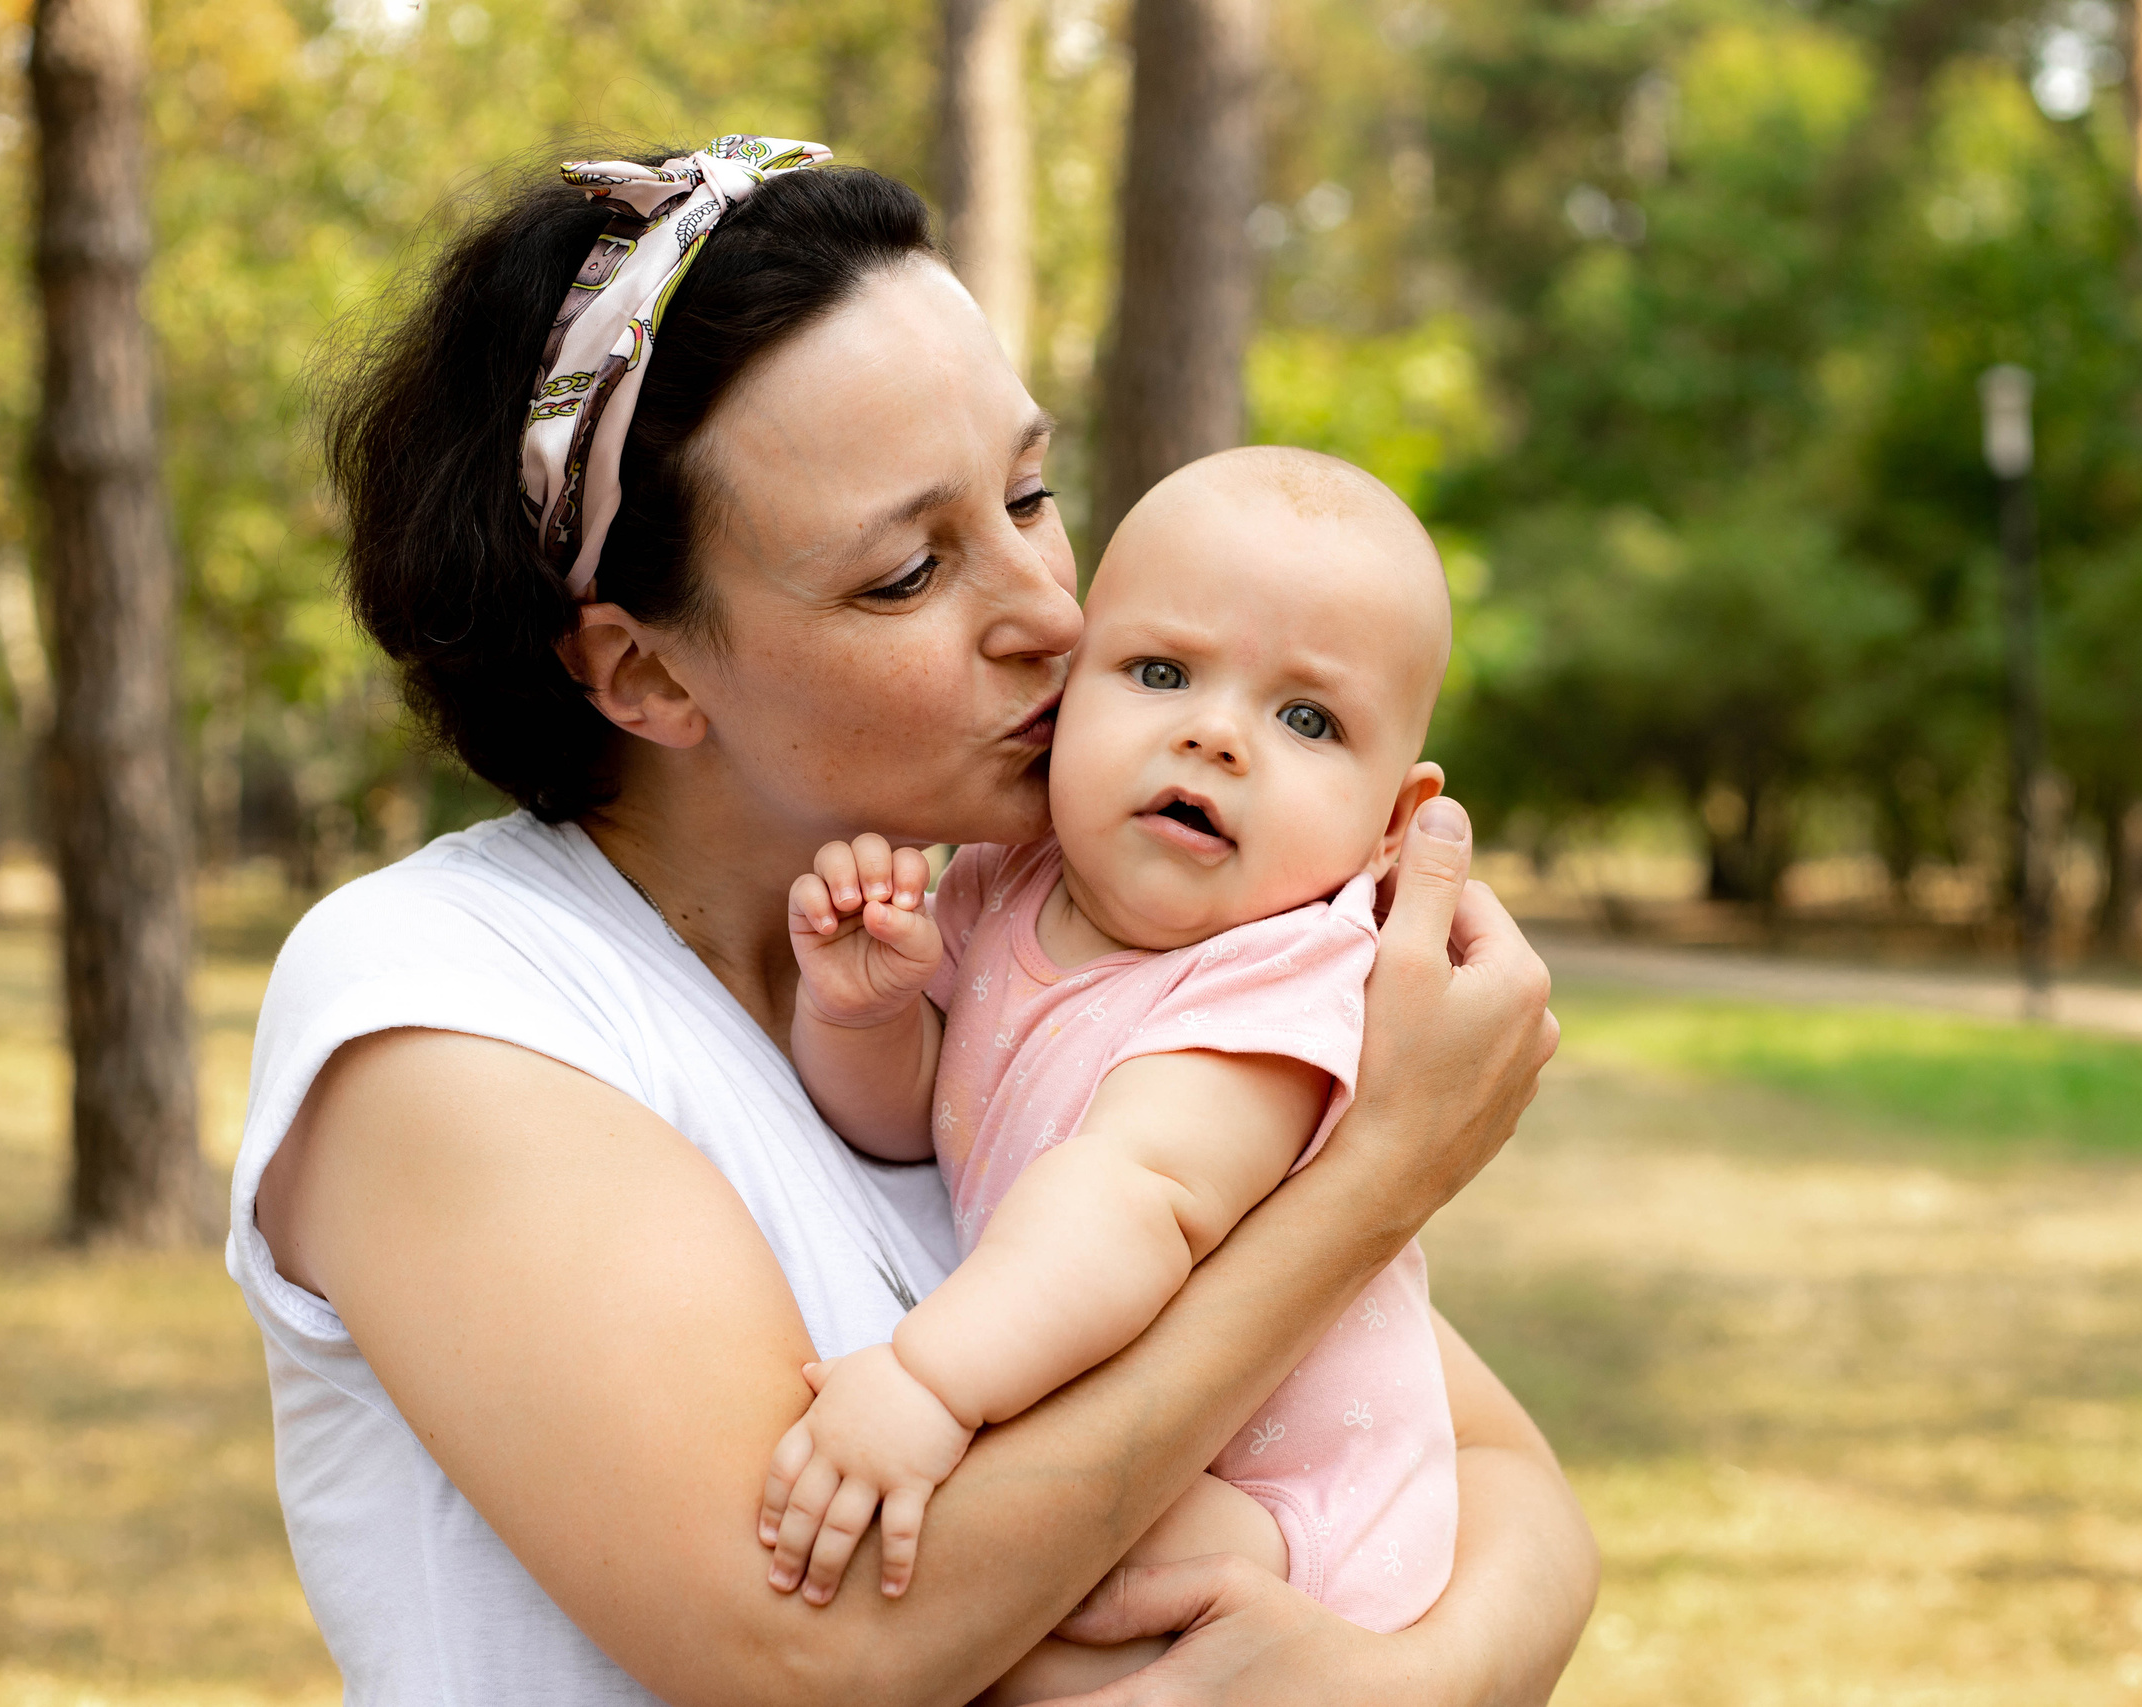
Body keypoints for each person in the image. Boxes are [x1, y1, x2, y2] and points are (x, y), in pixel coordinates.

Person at [232, 135, 1592, 1707]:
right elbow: (817, 1637)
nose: (1054, 614)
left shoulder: (1049, 950)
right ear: (649, 674)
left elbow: (1510, 1483)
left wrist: (1388, 1683)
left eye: (1031, 491)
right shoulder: (442, 1007)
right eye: (908, 572)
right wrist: (1379, 1171)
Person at [763, 448, 1466, 1704]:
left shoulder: (1292, 974)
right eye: (1160, 672)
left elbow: (1132, 1201)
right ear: (1065, 696)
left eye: (1308, 719)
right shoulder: (996, 887)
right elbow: (907, 1126)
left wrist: (928, 1382)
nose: (1216, 732)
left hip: (1275, 1504)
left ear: (1390, 828)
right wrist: (865, 1016)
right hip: (1141, 1437)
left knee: (1005, 1602)